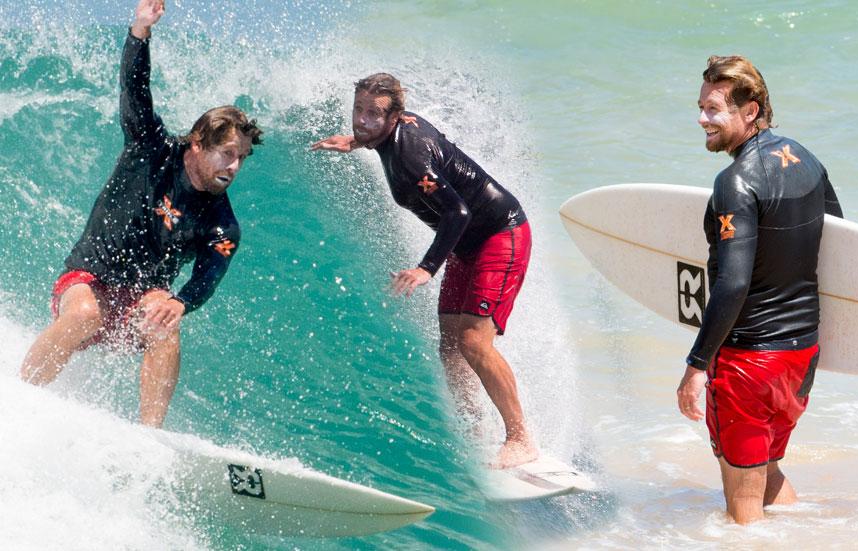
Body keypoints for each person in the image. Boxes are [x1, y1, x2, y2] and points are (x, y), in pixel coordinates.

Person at [20, 0, 263, 428]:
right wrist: (140, 32)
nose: (234, 167)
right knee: (83, 315)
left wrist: (180, 302)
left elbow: (207, 278)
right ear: (198, 144)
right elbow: (135, 90)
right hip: (88, 280)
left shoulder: (222, 223)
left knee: (165, 327)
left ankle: (147, 439)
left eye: (241, 157)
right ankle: (21, 395)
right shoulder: (150, 149)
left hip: (138, 300)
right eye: (227, 154)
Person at [311, 73, 537, 468]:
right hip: (466, 246)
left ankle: (520, 438)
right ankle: (474, 431)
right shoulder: (391, 133)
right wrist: (357, 141)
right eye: (358, 110)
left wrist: (426, 268)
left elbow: (457, 211)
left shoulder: (410, 155)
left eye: (373, 115)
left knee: (473, 342)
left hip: (500, 235)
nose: (362, 120)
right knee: (449, 343)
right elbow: (387, 140)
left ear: (396, 116)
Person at [676, 55, 843, 524]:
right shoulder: (805, 158)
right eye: (701, 107)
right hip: (801, 356)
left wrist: (695, 365)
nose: (701, 119)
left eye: (713, 109)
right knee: (766, 473)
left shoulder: (734, 182)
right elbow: (841, 238)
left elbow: (731, 283)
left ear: (750, 111)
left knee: (742, 512)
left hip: (751, 362)